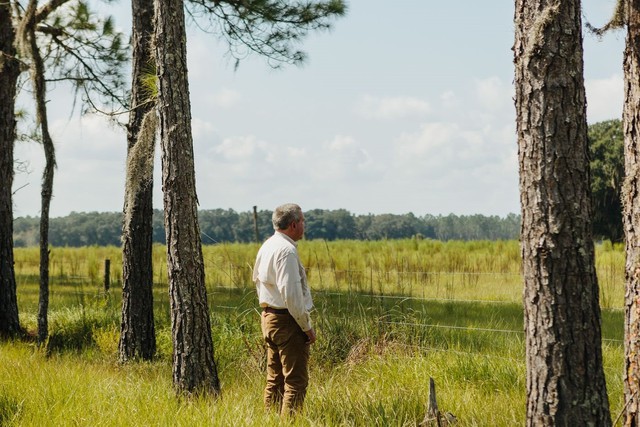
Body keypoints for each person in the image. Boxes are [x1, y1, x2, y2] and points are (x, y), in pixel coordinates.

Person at [253, 203, 316, 416]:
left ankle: (269, 419)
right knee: (295, 381)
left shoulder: (268, 245)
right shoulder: (286, 251)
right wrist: (306, 327)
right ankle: (290, 421)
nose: (304, 226)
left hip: (269, 318)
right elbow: (291, 295)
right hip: (287, 320)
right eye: (303, 221)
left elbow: (257, 281)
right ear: (293, 224)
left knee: (275, 378)